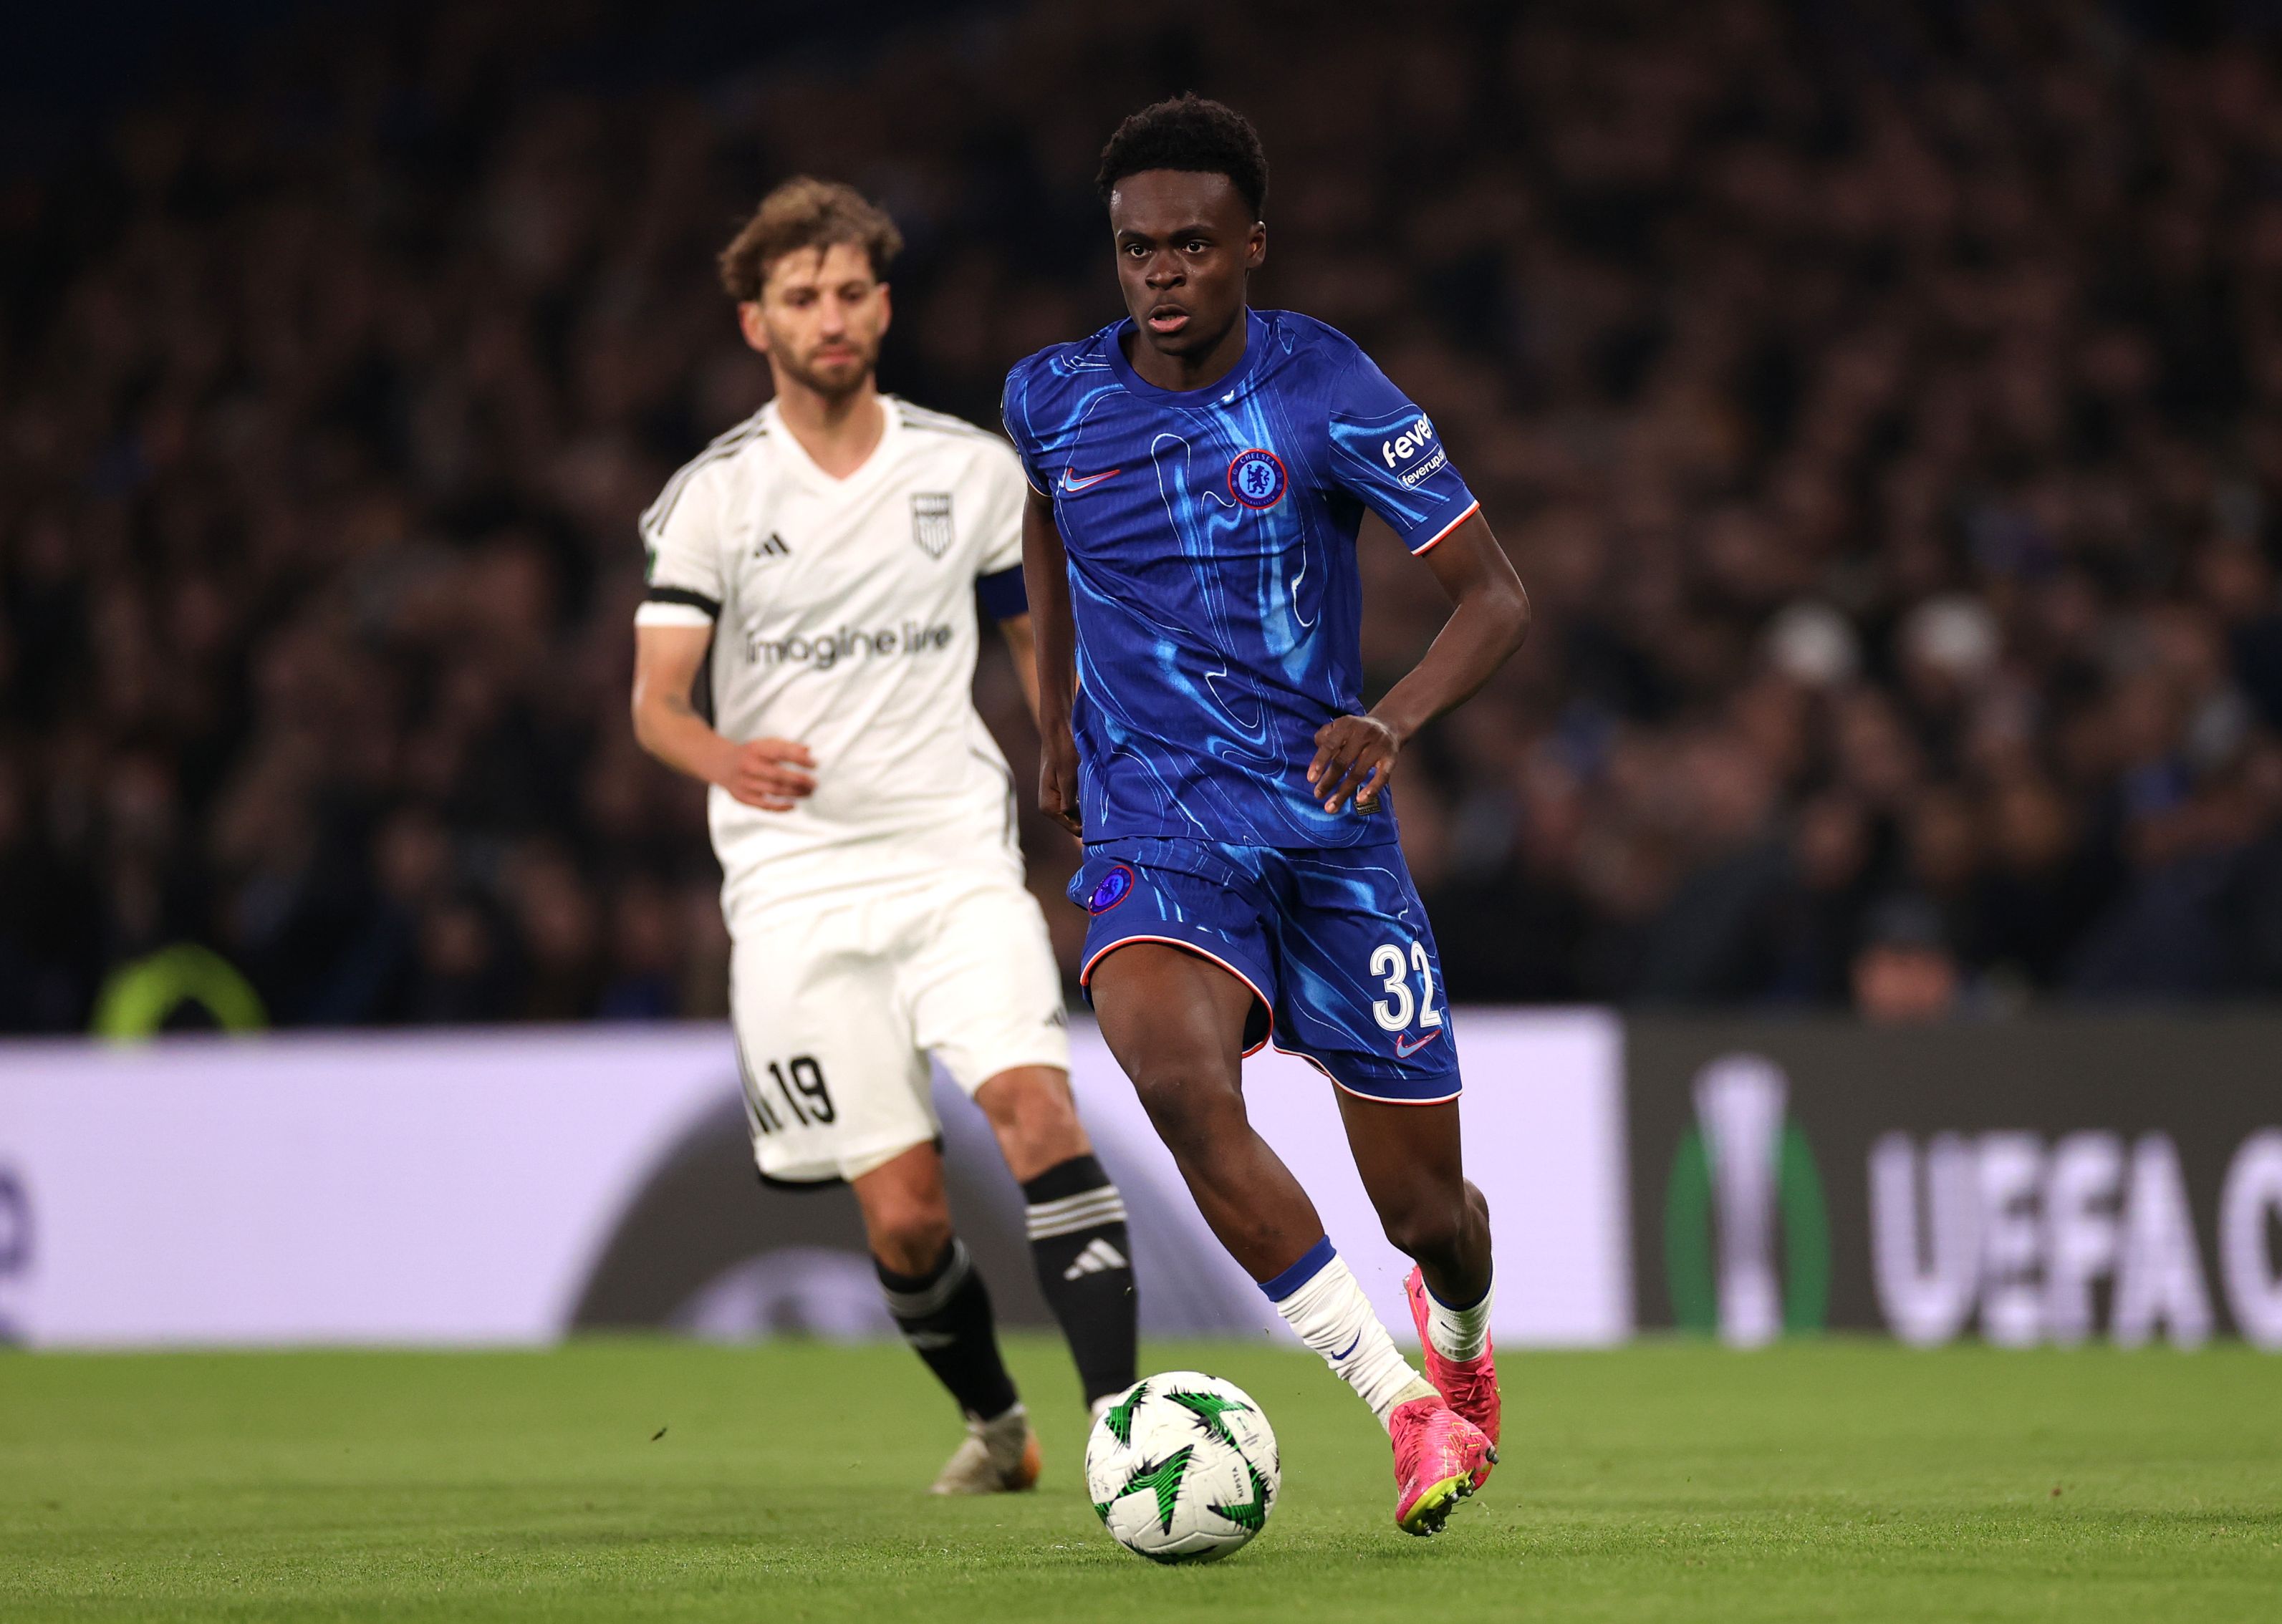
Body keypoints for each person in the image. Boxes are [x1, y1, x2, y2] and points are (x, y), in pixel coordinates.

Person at [1003, 97, 1530, 1536]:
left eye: (1189, 245)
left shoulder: (1325, 389)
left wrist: (1392, 719)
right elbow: (1041, 518)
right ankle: (1401, 1412)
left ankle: (1460, 1345)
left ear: (1251, 246)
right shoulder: (1051, 397)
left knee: (1435, 1216)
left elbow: (1497, 597)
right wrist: (1053, 707)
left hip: (1325, 832)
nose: (1162, 274)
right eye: (1135, 251)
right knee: (1177, 1087)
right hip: (1158, 829)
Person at [629, 178, 1136, 1493]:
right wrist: (727, 756)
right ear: (757, 324)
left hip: (953, 858)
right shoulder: (716, 501)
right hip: (795, 887)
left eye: (851, 291)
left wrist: (1067, 749)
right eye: (802, 298)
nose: (830, 316)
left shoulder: (966, 474)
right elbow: (655, 707)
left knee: (1036, 1114)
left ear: (884, 304)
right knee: (905, 1217)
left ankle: (1131, 1436)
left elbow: (1036, 646)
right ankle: (998, 1429)